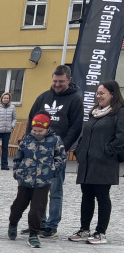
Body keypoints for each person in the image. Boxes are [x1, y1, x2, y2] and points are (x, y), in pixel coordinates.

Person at [29, 65, 84, 238]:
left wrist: (61, 149)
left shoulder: (75, 99)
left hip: (56, 154)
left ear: (69, 80)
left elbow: (75, 127)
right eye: (55, 81)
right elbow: (32, 120)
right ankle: (39, 222)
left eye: (61, 81)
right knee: (38, 190)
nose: (57, 84)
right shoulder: (43, 97)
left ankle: (52, 225)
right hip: (38, 152)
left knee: (55, 191)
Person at [68, 79, 124, 245]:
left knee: (102, 196)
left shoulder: (119, 113)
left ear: (112, 94)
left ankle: (100, 232)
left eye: (102, 93)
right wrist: (80, 150)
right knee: (87, 196)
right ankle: (84, 229)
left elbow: (121, 137)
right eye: (97, 93)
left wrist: (107, 151)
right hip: (87, 162)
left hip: (104, 162)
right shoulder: (95, 111)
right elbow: (86, 134)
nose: (98, 96)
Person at [8, 114, 65, 249]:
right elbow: (18, 157)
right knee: (19, 205)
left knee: (37, 209)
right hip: (25, 179)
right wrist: (17, 171)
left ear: (47, 129)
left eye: (40, 131)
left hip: (43, 181)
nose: (37, 133)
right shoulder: (27, 139)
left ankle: (33, 234)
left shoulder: (55, 140)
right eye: (35, 130)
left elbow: (61, 157)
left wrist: (53, 170)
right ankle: (13, 223)